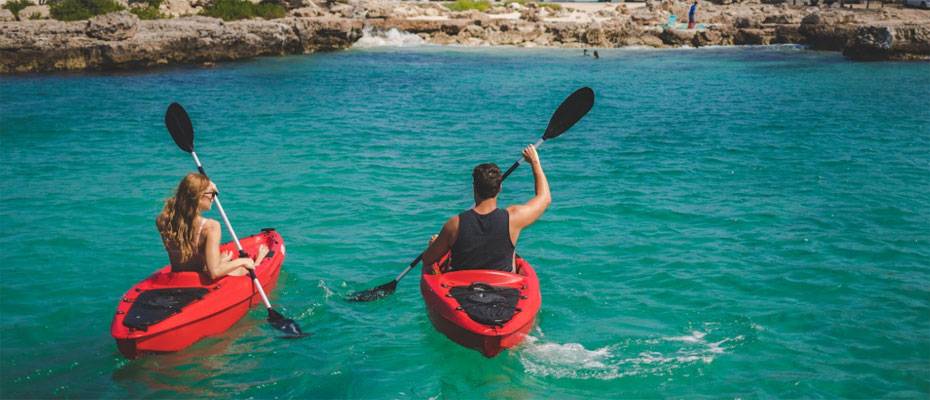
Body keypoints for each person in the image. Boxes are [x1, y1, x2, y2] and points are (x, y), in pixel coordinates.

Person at [421, 145, 551, 272]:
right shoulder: (513, 218)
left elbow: (427, 259)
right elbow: (544, 198)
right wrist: (534, 161)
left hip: (461, 291)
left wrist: (434, 245)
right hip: (503, 289)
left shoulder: (454, 224)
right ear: (500, 188)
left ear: (474, 187)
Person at [156, 173, 267, 279]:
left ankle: (222, 260)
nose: (214, 198)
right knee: (244, 268)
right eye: (212, 194)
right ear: (199, 196)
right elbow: (214, 273)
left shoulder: (163, 221)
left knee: (221, 260)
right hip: (201, 279)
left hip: (180, 278)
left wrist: (208, 186)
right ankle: (257, 261)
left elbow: (191, 260)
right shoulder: (210, 227)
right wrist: (242, 261)